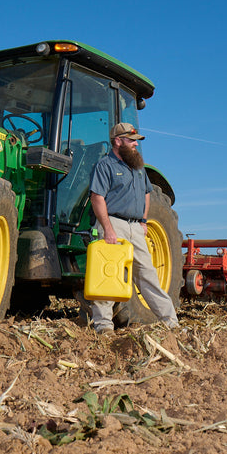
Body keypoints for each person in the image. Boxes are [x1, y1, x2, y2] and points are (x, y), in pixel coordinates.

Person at [88, 122, 179, 334]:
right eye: (131, 141)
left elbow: (147, 192)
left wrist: (144, 221)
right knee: (108, 276)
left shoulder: (138, 167)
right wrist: (108, 229)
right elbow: (97, 197)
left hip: (135, 228)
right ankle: (104, 327)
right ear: (118, 141)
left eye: (136, 141)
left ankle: (172, 324)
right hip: (113, 225)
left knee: (148, 276)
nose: (135, 145)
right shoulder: (105, 165)